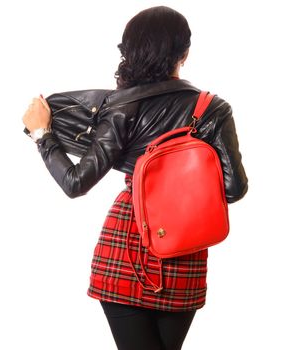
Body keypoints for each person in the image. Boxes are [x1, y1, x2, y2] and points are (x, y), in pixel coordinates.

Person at [22, 6, 248, 350]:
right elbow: (234, 188)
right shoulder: (212, 108)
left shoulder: (119, 106)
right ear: (184, 54)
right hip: (185, 245)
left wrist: (42, 134)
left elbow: (75, 183)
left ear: (129, 52)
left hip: (126, 243)